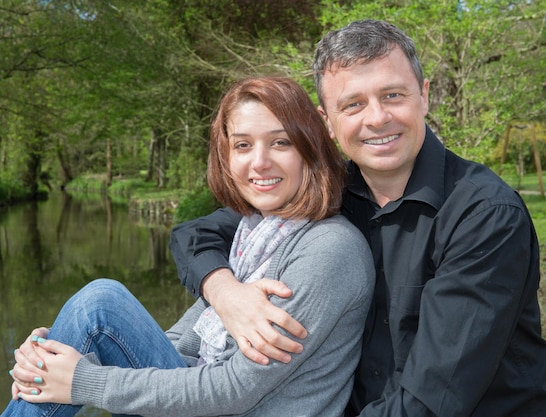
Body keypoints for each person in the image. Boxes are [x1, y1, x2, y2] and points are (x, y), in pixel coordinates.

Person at [169, 19, 546, 417]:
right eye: (353, 104)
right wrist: (226, 293)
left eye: (393, 95)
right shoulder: (327, 194)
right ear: (327, 121)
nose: (377, 117)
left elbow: (431, 402)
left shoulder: (484, 216)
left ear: (424, 95)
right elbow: (195, 234)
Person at [1, 76, 375, 417]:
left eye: (281, 142)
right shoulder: (254, 237)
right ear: (226, 158)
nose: (259, 162)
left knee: (99, 305)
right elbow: (183, 341)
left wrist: (83, 380)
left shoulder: (329, 249)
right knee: (79, 328)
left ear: (310, 148)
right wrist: (57, 362)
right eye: (243, 145)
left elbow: (234, 389)